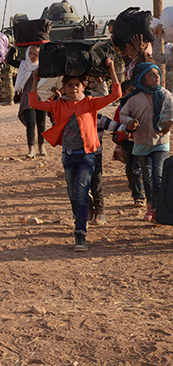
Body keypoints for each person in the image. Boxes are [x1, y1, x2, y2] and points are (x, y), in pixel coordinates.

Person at [28, 58, 121, 252]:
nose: (73, 88)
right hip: (68, 155)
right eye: (69, 85)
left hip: (87, 155)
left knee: (79, 193)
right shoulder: (57, 104)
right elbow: (33, 102)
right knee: (73, 194)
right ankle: (82, 214)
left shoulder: (91, 103)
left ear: (83, 86)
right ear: (64, 87)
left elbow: (116, 94)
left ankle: (80, 234)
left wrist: (111, 69)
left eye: (77, 85)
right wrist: (35, 79)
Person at [119, 62, 173, 223]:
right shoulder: (134, 98)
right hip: (141, 142)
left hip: (161, 141)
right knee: (147, 177)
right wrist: (129, 122)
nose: (156, 77)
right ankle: (151, 205)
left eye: (157, 74)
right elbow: (123, 114)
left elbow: (171, 113)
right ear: (142, 79)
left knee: (158, 176)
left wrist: (169, 122)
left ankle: (157, 208)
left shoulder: (166, 94)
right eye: (151, 74)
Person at [14, 46, 48, 158]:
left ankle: (41, 146)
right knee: (31, 124)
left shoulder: (44, 66)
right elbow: (10, 60)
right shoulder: (23, 65)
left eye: (35, 54)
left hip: (41, 98)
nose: (32, 56)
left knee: (41, 123)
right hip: (27, 99)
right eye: (30, 53)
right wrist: (14, 48)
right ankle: (31, 148)